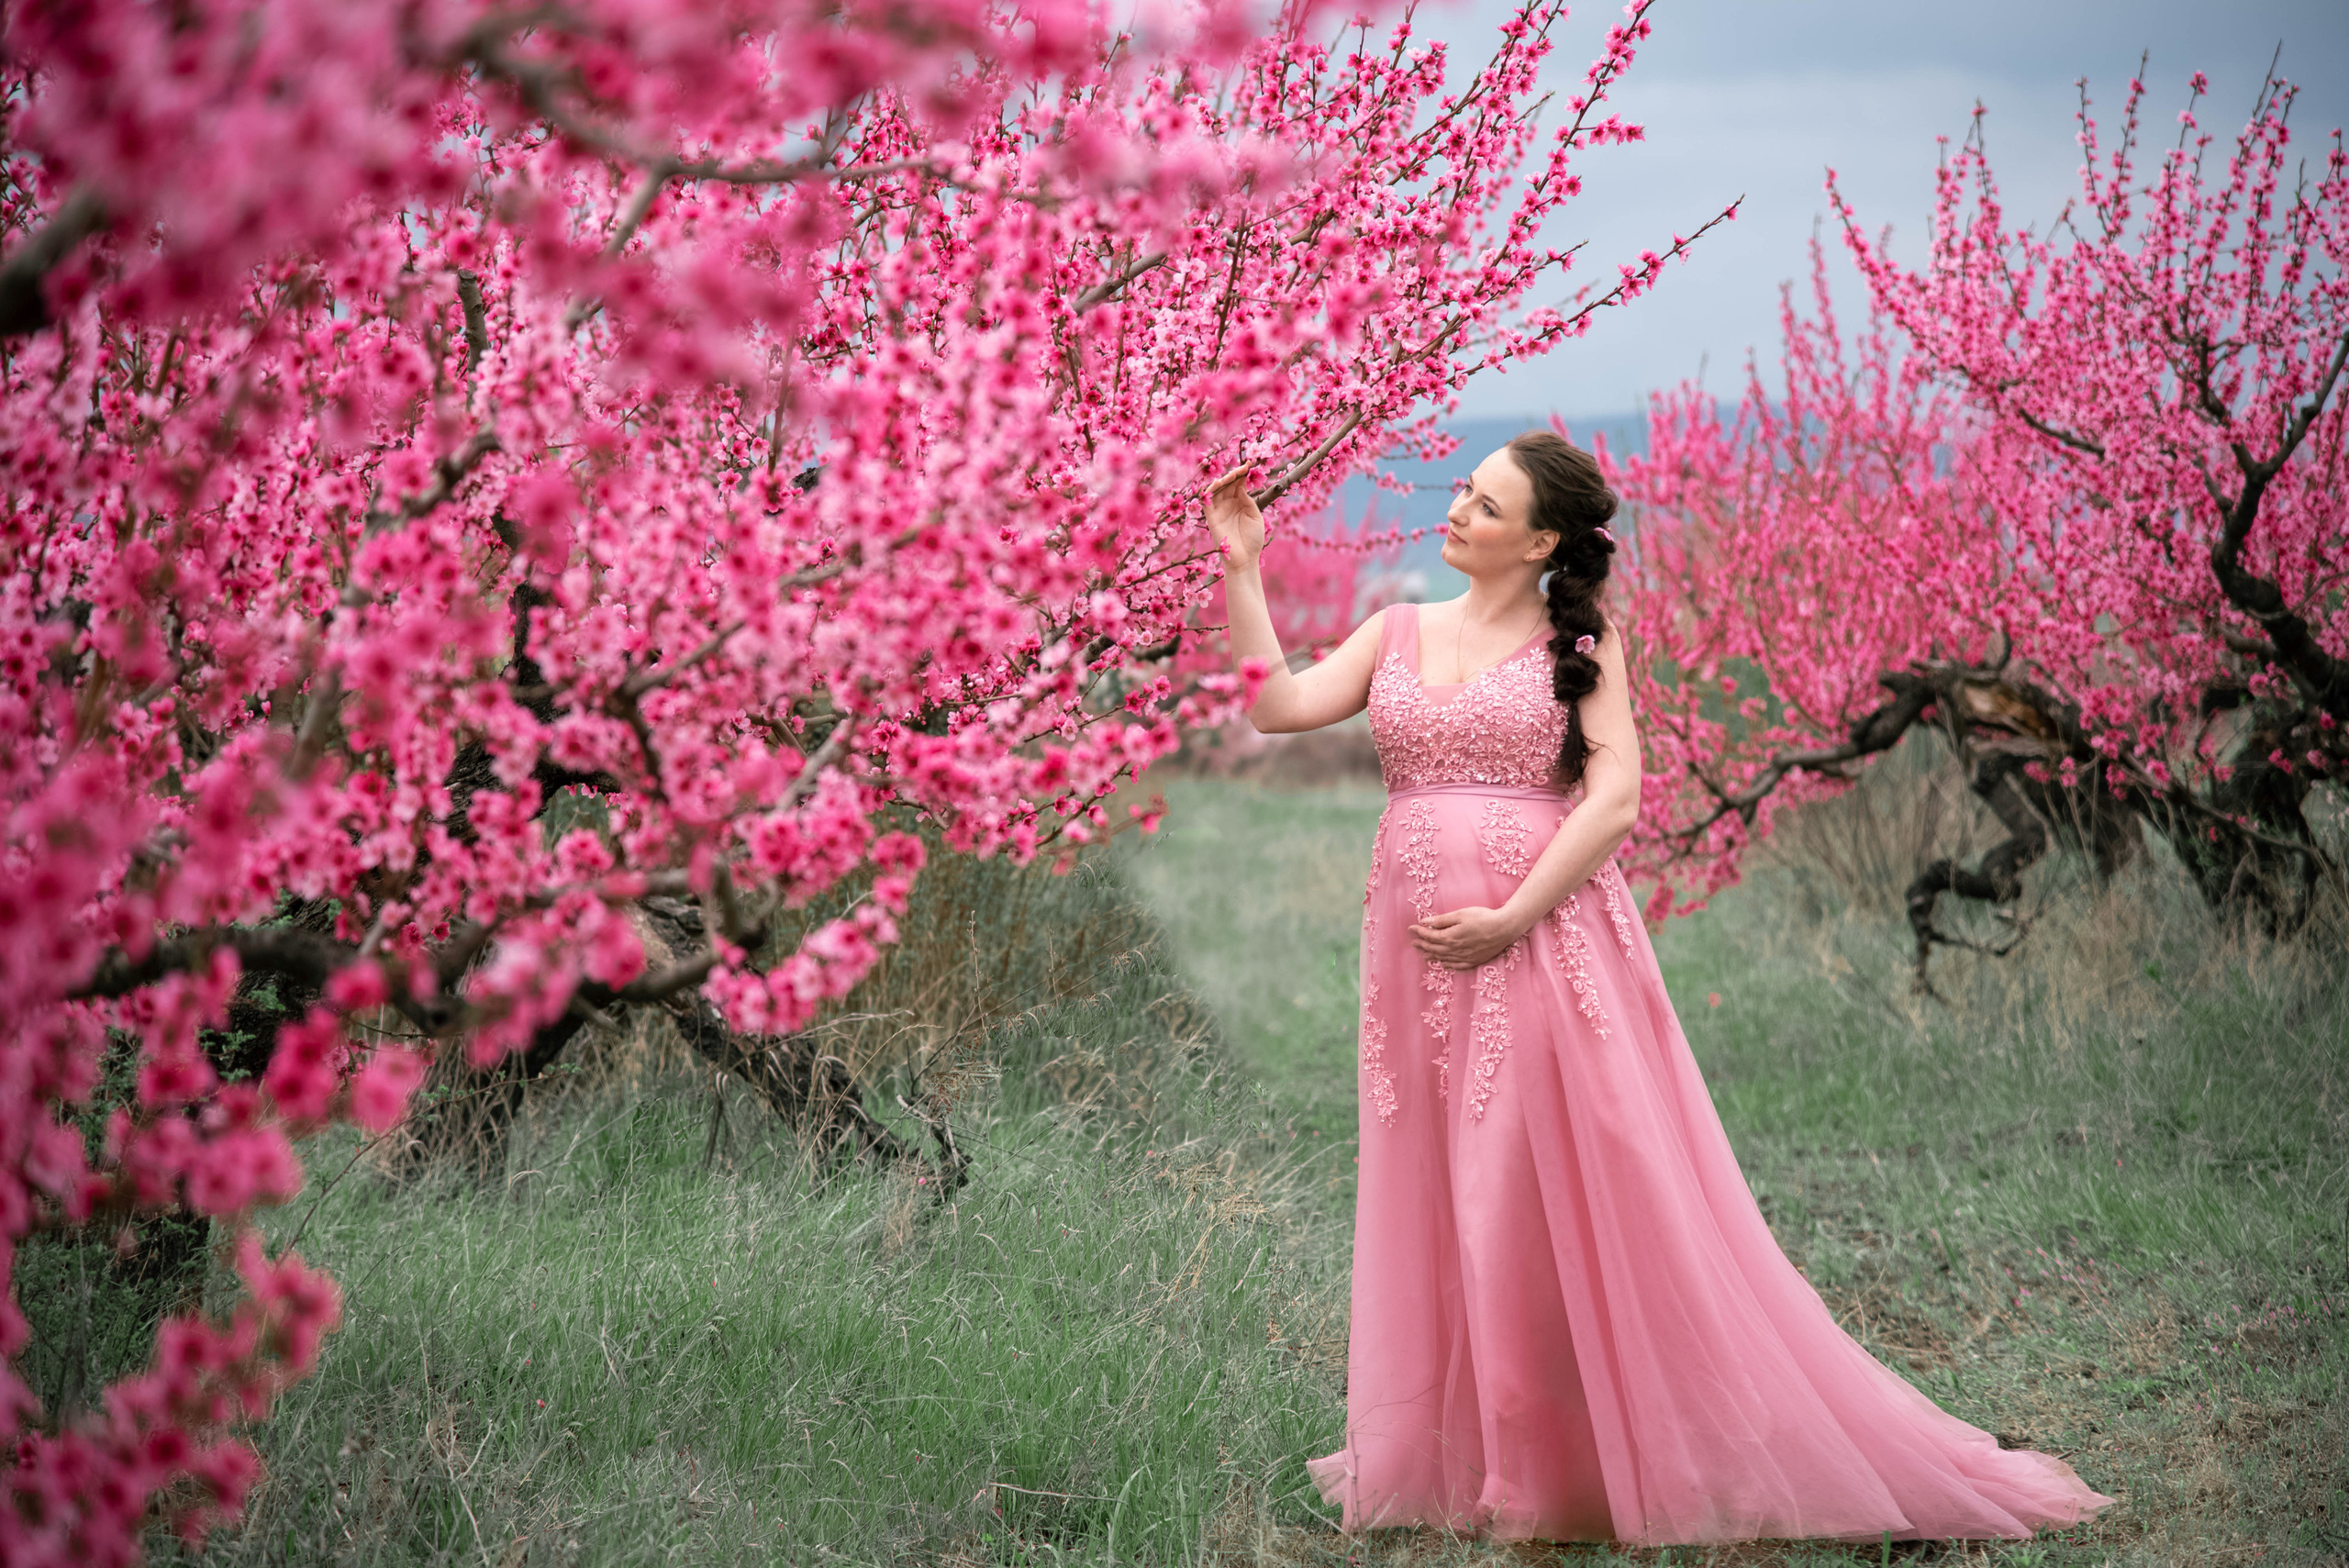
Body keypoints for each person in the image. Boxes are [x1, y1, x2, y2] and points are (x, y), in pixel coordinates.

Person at [1202, 431, 2115, 1546]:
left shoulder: (1579, 641)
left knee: (1527, 1193)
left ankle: (1578, 1465)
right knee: (1450, 1186)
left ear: (1538, 540)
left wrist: (1509, 913)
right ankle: (1488, 1454)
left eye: (1482, 505)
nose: (1454, 513)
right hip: (1415, 965)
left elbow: (1615, 796)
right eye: (1459, 492)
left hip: (1541, 939)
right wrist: (1243, 567)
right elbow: (1276, 707)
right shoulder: (1395, 630)